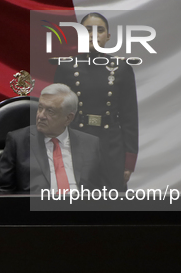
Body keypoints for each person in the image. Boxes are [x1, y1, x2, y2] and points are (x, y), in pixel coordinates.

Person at [53, 12, 138, 191]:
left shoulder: (122, 68)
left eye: (99, 30)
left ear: (108, 36)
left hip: (111, 145)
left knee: (113, 205)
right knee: (78, 202)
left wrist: (129, 163)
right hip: (76, 142)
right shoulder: (66, 67)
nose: (93, 35)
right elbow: (58, 116)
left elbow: (129, 118)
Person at [0, 83, 103, 194]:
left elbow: (102, 191)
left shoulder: (91, 143)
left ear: (68, 118)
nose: (41, 116)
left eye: (50, 111)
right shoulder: (18, 141)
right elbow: (3, 192)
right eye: (40, 108)